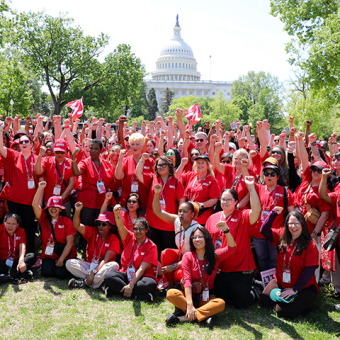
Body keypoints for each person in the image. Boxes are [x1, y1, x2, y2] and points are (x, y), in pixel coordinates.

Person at [205, 176, 262, 309]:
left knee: (240, 304)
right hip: (221, 269)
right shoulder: (212, 218)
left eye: (229, 199)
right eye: (223, 199)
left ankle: (255, 289)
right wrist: (213, 264)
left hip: (240, 268)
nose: (225, 202)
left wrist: (251, 187)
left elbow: (257, 211)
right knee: (223, 300)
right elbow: (207, 244)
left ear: (236, 202)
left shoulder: (242, 215)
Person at [166, 225, 236, 325]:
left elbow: (232, 248)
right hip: (188, 296)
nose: (197, 239)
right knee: (171, 293)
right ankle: (203, 315)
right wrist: (189, 304)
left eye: (200, 237)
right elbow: (187, 281)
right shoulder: (188, 256)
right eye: (194, 237)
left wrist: (226, 230)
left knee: (220, 304)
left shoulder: (214, 256)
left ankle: (182, 318)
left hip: (206, 297)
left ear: (206, 238)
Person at [260, 208, 319, 318]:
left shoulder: (311, 245)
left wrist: (295, 290)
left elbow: (309, 271)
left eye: (297, 223)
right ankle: (284, 298)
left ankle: (306, 304)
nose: (293, 226)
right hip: (281, 282)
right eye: (290, 223)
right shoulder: (282, 236)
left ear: (302, 224)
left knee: (282, 311)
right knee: (264, 301)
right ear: (286, 225)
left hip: (303, 287)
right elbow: (264, 230)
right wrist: (273, 214)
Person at [104, 205, 158, 302]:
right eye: (136, 229)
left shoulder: (151, 246)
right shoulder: (129, 237)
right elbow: (121, 226)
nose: (138, 231)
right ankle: (138, 296)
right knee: (108, 275)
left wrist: (131, 284)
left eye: (141, 229)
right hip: (126, 274)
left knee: (149, 285)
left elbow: (142, 269)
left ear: (146, 230)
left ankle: (117, 291)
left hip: (142, 276)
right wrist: (117, 213)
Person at [136, 154, 185, 256]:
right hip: (153, 223)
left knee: (167, 254)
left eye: (163, 165)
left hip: (169, 225)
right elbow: (138, 173)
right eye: (158, 165)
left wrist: (181, 218)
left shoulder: (176, 182)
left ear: (169, 166)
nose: (160, 167)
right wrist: (142, 159)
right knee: (154, 254)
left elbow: (182, 201)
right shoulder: (152, 178)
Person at [0, 122, 38, 254]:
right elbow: (1, 147)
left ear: (31, 144)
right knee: (16, 228)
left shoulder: (38, 159)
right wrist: (1, 130)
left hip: (31, 201)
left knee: (29, 227)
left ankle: (31, 253)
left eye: (26, 141)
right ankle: (15, 253)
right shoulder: (13, 155)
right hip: (15, 200)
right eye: (21, 142)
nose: (23, 143)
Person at [153, 185, 200, 288]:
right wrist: (157, 194)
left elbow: (196, 255)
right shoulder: (177, 221)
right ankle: (169, 285)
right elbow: (158, 212)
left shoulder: (196, 229)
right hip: (182, 255)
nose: (181, 214)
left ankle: (181, 285)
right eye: (180, 211)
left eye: (185, 212)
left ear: (192, 215)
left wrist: (174, 266)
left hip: (194, 260)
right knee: (166, 253)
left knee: (178, 273)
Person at [66, 202, 121, 289]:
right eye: (99, 223)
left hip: (102, 267)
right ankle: (96, 283)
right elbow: (76, 226)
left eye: (104, 224)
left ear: (110, 226)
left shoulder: (114, 239)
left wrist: (94, 271)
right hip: (89, 264)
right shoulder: (92, 231)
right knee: (69, 263)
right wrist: (77, 211)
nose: (100, 226)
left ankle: (84, 283)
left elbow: (106, 261)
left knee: (114, 265)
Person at [253, 162, 295, 272]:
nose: (269, 176)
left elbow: (292, 213)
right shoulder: (258, 188)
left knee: (274, 259)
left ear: (277, 177)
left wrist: (290, 230)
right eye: (266, 174)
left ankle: (274, 282)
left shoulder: (285, 191)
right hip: (258, 232)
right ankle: (264, 284)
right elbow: (247, 179)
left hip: (276, 233)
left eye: (272, 174)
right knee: (261, 259)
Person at [32, 181, 77, 279]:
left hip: (64, 254)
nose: (53, 209)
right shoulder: (44, 218)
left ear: (61, 209)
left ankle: (62, 265)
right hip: (49, 254)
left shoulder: (67, 221)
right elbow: (34, 205)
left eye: (56, 207)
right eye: (51, 207)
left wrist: (61, 260)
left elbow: (70, 243)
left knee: (60, 274)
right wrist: (40, 189)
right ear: (47, 208)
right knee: (47, 272)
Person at [71, 139, 115, 226]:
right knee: (87, 228)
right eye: (91, 148)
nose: (93, 151)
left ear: (100, 150)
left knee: (101, 227)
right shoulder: (85, 162)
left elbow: (112, 178)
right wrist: (73, 159)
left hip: (103, 201)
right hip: (88, 202)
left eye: (96, 148)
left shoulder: (106, 163)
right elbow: (76, 172)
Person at [115, 132, 155, 213]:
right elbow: (118, 176)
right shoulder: (125, 160)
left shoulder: (150, 161)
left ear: (142, 146)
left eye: (137, 144)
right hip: (128, 202)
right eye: (132, 144)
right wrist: (120, 159)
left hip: (144, 202)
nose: (135, 146)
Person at [34, 140, 75, 217]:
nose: (59, 154)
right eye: (57, 152)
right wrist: (40, 155)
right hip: (49, 200)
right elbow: (38, 171)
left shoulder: (71, 163)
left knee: (65, 222)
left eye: (62, 152)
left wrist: (61, 198)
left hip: (64, 200)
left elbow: (72, 182)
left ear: (66, 151)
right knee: (49, 224)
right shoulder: (47, 160)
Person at [180, 155, 220, 225]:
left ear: (207, 166)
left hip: (203, 216)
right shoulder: (191, 176)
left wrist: (201, 205)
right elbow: (177, 177)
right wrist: (182, 164)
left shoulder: (212, 180)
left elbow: (214, 200)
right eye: (198, 163)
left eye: (202, 162)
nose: (200, 165)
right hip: (189, 215)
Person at [0, 213, 36, 284]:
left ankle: (8, 277)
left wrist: (21, 261)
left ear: (17, 225)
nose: (10, 226)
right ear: (4, 223)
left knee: (32, 256)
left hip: (16, 261)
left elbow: (22, 246)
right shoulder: (0, 229)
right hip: (2, 261)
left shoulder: (21, 231)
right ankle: (20, 274)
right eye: (8, 223)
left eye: (13, 224)